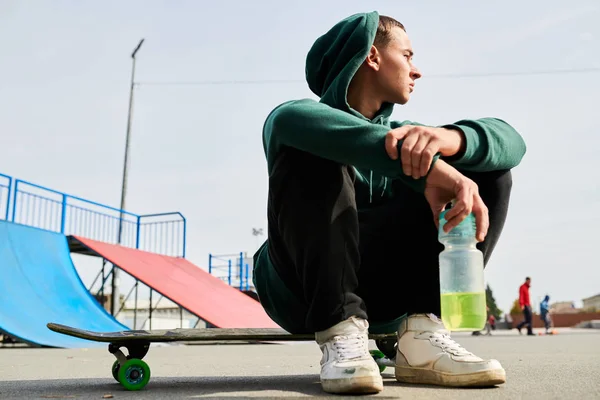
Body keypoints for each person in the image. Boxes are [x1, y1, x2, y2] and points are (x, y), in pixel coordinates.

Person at [252, 11, 526, 394]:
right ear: (372, 56)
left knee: (487, 171)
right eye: (408, 55)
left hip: (388, 291)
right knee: (314, 152)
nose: (417, 71)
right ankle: (340, 334)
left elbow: (512, 143)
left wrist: (450, 141)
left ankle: (422, 336)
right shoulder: (297, 118)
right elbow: (291, 122)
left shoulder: (409, 139)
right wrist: (434, 173)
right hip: (302, 289)